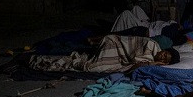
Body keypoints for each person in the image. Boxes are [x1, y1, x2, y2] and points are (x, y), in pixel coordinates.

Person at [28, 34, 180, 74]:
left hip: (119, 57)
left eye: (165, 60)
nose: (162, 56)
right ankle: (38, 59)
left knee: (92, 65)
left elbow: (136, 65)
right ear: (164, 50)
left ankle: (41, 60)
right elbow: (134, 56)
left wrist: (154, 63)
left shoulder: (153, 61)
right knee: (90, 66)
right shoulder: (152, 45)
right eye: (164, 54)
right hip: (113, 44)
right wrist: (152, 62)